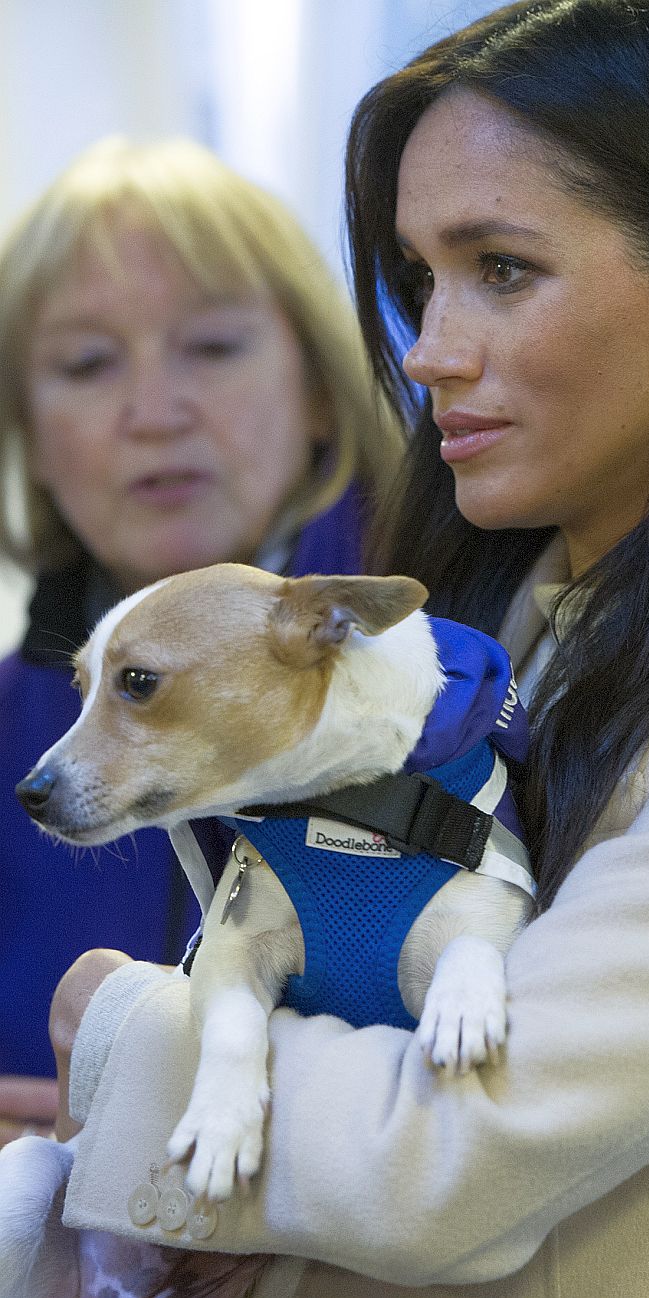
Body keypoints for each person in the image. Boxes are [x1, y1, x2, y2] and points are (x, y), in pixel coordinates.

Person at [19, 1, 649, 1294]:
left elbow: (451, 1150)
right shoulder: (488, 638)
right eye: (419, 279)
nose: (427, 349)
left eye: (503, 271)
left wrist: (126, 1035)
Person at [0, 136, 402, 1140]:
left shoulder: (466, 683)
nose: (153, 411)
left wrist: (112, 1137)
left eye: (213, 346)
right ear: (32, 436)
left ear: (320, 387)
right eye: (88, 364)